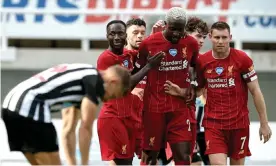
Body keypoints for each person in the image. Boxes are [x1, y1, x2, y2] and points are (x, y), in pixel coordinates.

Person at [164, 21, 272, 165]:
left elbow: (256, 91)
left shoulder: (242, 59)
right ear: (210, 37)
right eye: (217, 37)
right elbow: (199, 90)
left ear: (230, 37)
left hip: (239, 125)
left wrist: (264, 123)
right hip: (213, 125)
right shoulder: (202, 61)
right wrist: (181, 92)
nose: (220, 41)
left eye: (224, 37)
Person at [1, 63, 132, 165]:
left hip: (10, 106)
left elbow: (68, 129)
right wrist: (85, 165)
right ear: (113, 82)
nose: (108, 100)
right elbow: (86, 128)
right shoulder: (95, 82)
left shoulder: (79, 78)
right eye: (114, 96)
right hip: (30, 106)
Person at [133, 7, 199, 165]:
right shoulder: (149, 43)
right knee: (150, 158)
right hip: (154, 109)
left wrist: (193, 85)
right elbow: (136, 70)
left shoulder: (191, 43)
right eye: (172, 29)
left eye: (180, 29)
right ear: (166, 24)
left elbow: (194, 66)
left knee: (183, 157)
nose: (176, 33)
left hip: (179, 110)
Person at [97, 20, 164, 165]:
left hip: (133, 117)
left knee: (149, 159)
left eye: (120, 33)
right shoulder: (105, 58)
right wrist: (149, 67)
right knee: (124, 162)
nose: (116, 37)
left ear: (124, 36)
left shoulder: (129, 55)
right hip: (114, 117)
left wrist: (154, 37)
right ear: (107, 36)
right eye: (112, 34)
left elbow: (144, 53)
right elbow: (123, 88)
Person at [154, 17, 210, 165]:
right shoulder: (172, 53)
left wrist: (180, 92)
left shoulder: (202, 61)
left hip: (189, 120)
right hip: (165, 119)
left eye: (204, 37)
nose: (202, 40)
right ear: (186, 34)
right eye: (198, 36)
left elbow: (198, 92)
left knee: (193, 162)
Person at [125, 18, 147, 160]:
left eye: (142, 33)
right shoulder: (117, 57)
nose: (139, 36)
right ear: (126, 35)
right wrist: (129, 90)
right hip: (124, 119)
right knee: (122, 161)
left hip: (147, 120)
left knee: (150, 160)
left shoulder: (151, 57)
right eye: (135, 32)